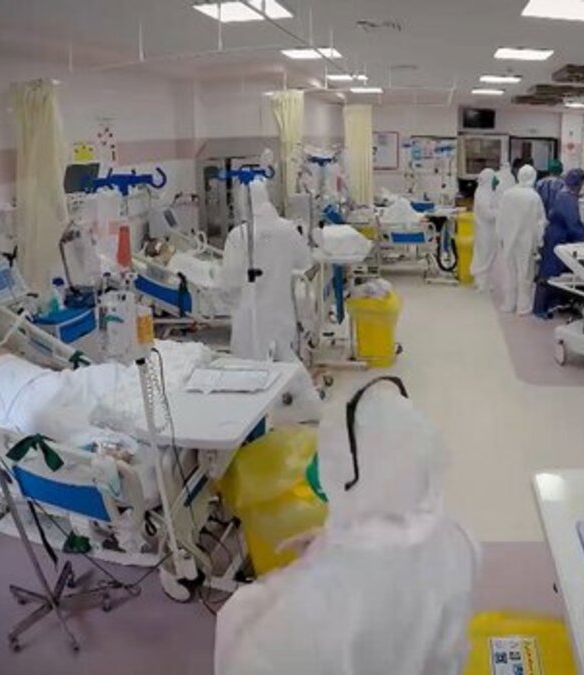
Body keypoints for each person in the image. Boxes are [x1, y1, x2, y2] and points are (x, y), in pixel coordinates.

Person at [215, 377, 480, 675]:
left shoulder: (313, 604)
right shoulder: (459, 538)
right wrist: (331, 543)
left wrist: (276, 586)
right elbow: (391, 550)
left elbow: (244, 658)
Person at [221, 179, 313, 360]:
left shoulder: (238, 235)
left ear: (243, 202)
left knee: (251, 367)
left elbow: (230, 282)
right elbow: (304, 261)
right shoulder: (288, 230)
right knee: (283, 363)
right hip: (281, 313)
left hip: (249, 317)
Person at [534, 169, 584, 317]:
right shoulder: (567, 198)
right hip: (557, 238)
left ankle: (552, 304)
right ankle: (540, 309)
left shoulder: (564, 194)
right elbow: (573, 224)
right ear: (578, 183)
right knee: (549, 273)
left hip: (557, 236)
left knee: (555, 272)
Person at [496, 165, 547, 315]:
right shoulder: (534, 197)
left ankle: (508, 304)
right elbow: (540, 222)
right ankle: (523, 307)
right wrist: (539, 242)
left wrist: (500, 237)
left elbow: (500, 218)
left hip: (508, 240)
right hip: (527, 241)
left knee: (510, 272)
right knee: (525, 274)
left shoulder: (508, 194)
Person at [470, 168, 497, 292]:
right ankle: (481, 283)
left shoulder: (484, 191)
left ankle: (484, 282)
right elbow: (487, 214)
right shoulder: (483, 194)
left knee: (486, 255)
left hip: (485, 229)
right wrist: (501, 212)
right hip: (485, 230)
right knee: (484, 256)